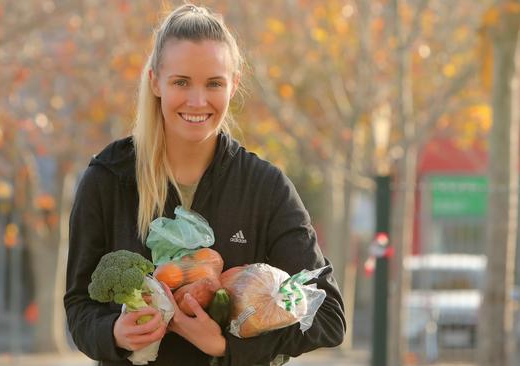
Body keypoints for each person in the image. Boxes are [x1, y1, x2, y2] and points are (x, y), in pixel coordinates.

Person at [64, 4, 346, 366]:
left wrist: (228, 348)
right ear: (155, 81)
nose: (197, 101)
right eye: (181, 82)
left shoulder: (265, 188)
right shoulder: (107, 180)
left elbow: (328, 317)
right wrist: (114, 334)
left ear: (234, 84)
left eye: (214, 83)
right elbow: (78, 306)